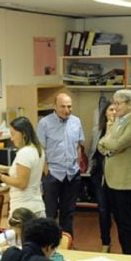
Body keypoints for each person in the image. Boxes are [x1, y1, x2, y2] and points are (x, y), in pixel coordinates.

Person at [98, 89, 131, 255]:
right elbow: (101, 144)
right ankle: (126, 253)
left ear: (129, 104)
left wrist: (109, 144)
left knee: (127, 221)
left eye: (118, 103)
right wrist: (110, 143)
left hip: (124, 180)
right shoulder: (117, 121)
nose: (115, 107)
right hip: (110, 179)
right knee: (117, 220)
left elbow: (117, 145)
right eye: (114, 103)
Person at [37, 93, 86, 237]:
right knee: (50, 213)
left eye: (69, 106)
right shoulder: (44, 123)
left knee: (68, 212)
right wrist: (47, 171)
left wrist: (77, 162)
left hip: (72, 173)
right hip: (53, 173)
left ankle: (67, 244)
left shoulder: (76, 121)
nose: (66, 110)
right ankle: (49, 244)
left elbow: (79, 144)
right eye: (63, 106)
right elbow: (40, 149)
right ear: (55, 106)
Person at [0, 116, 45, 216]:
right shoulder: (37, 149)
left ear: (23, 134)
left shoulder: (24, 153)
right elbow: (28, 170)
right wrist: (4, 168)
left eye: (13, 134)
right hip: (36, 206)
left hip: (23, 208)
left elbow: (21, 183)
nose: (11, 138)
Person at [90, 102, 117, 252]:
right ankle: (105, 242)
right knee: (103, 209)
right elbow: (93, 151)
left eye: (115, 109)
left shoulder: (121, 130)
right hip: (99, 174)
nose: (113, 112)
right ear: (105, 113)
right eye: (110, 109)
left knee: (117, 210)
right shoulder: (98, 130)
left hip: (116, 174)